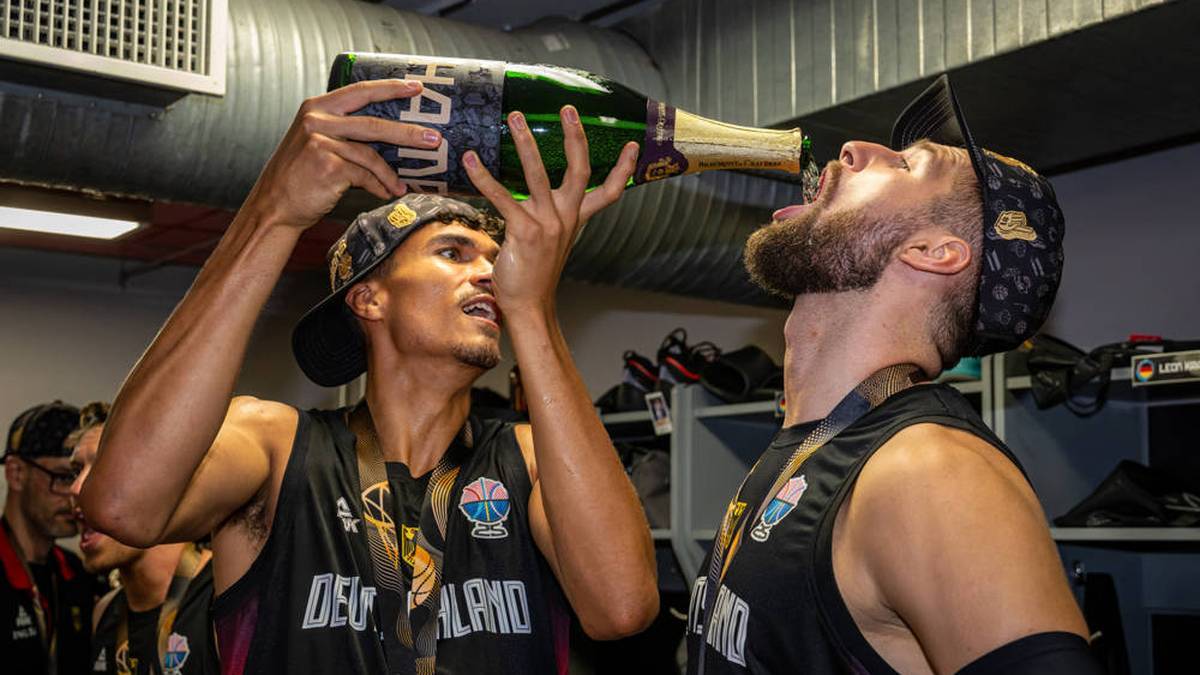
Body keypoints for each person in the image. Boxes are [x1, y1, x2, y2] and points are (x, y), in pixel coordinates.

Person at [80, 78, 658, 674]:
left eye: (495, 257)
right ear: (369, 299)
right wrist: (272, 216)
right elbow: (122, 505)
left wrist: (534, 311)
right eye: (454, 253)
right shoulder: (277, 449)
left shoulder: (531, 459)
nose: (490, 273)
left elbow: (621, 608)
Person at [682, 76, 1103, 673]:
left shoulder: (931, 472)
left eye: (906, 164)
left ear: (935, 252)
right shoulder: (819, 442)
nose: (852, 149)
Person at [68, 402, 218, 674]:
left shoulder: (222, 595)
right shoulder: (104, 612)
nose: (76, 488)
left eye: (104, 465)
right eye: (75, 471)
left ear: (162, 480)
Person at [1, 400, 93, 674]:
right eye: (64, 477)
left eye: (82, 478)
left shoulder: (80, 573)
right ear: (16, 473)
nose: (75, 494)